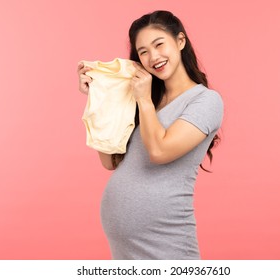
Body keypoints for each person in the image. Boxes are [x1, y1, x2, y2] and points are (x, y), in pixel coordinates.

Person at [77, 10, 223, 259]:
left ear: (180, 41)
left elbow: (159, 151)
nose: (153, 57)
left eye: (159, 44)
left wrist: (143, 99)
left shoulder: (206, 101)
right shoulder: (144, 100)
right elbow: (110, 161)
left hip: (168, 243)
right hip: (125, 250)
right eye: (143, 51)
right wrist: (101, 97)